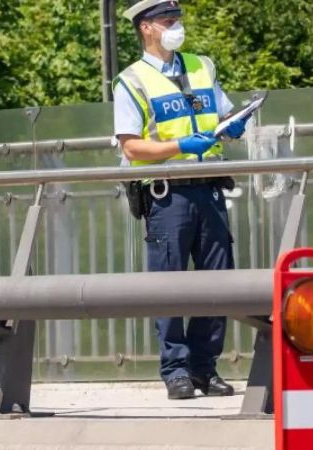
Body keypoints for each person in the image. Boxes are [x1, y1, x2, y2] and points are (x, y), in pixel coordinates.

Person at [113, 0, 249, 400]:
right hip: (167, 193)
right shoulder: (131, 81)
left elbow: (221, 113)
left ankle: (205, 368)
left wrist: (234, 124)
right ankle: (175, 370)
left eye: (177, 19)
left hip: (208, 188)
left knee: (217, 282)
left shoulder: (200, 65)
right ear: (146, 29)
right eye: (167, 21)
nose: (176, 27)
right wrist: (178, 146)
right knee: (169, 285)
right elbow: (132, 146)